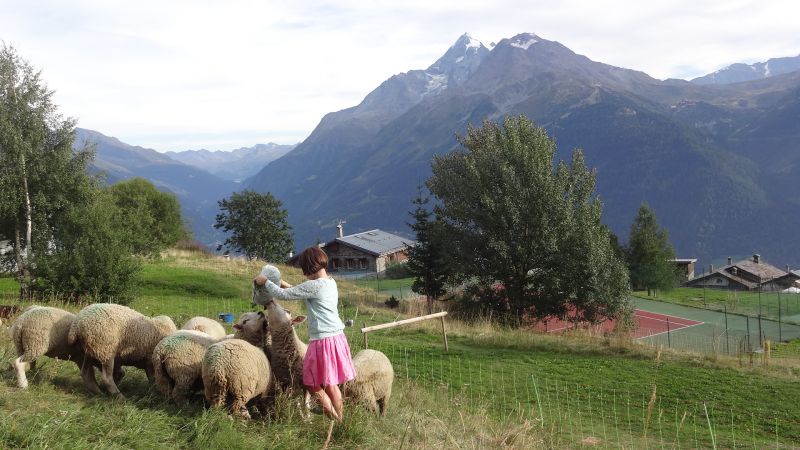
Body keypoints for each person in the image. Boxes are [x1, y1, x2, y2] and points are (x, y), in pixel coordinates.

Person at [254, 246, 355, 421]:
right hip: (336, 337)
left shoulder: (314, 286)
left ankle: (334, 418)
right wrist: (281, 282)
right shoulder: (330, 282)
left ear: (309, 266)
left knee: (311, 383)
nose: (303, 272)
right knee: (330, 382)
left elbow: (284, 295)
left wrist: (265, 281)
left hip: (322, 341)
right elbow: (301, 290)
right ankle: (341, 420)